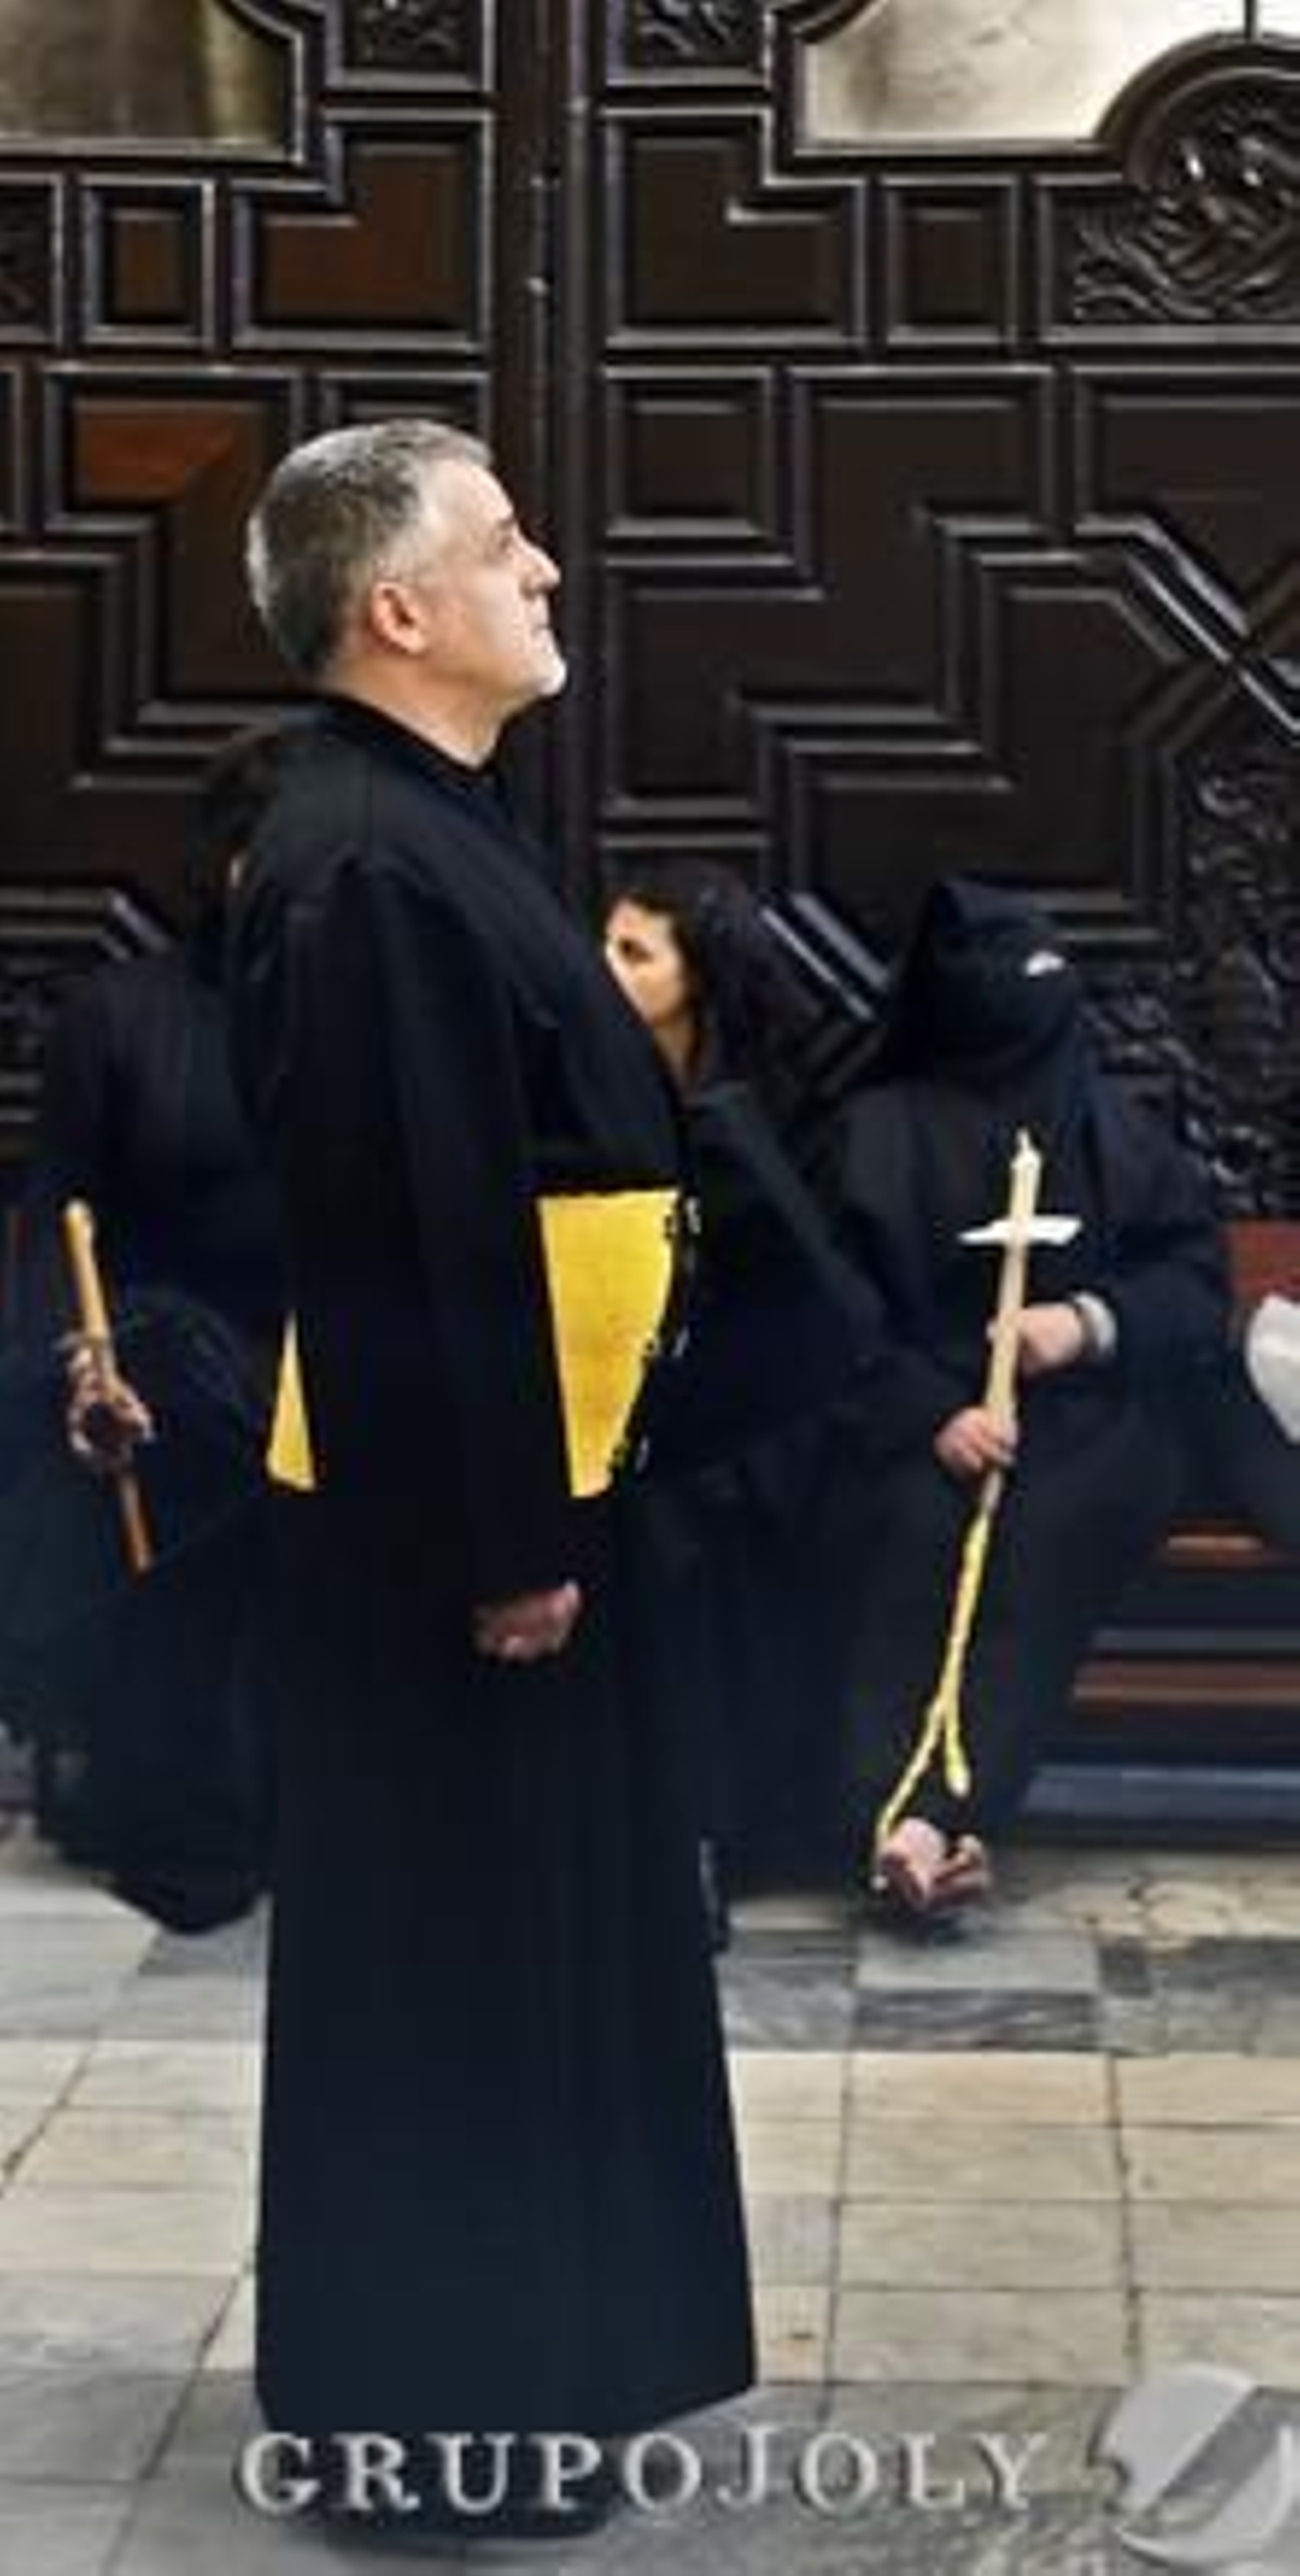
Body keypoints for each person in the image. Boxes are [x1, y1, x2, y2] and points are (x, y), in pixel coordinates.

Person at [227, 419, 753, 2538]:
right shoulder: (362, 859)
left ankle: (531, 2384)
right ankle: (432, 2431)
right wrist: (504, 1539)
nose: (545, 568)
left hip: (534, 1484)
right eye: (505, 539)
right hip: (452, 1527)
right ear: (396, 606)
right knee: (452, 1975)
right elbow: (410, 1229)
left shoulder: (437, 827)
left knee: (525, 1961)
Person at [830, 877, 1227, 1917]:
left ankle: (945, 1818)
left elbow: (1192, 1285)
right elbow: (832, 1305)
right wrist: (930, 1411)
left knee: (1043, 1535)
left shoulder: (1109, 1130)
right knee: (915, 1532)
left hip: (1094, 1421)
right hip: (924, 1414)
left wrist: (1086, 1323)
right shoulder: (870, 1136)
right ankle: (884, 1812)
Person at [0, 725, 292, 1927]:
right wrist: (85, 1367)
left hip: (331, 1368)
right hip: (164, 1378)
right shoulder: (123, 1016)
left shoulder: (377, 1019)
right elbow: (59, 1221)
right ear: (225, 862)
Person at [603, 863, 876, 1903]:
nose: (604, 969)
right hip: (632, 1393)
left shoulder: (792, 1114)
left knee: (692, 1519)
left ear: (700, 977)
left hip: (771, 1405)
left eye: (634, 952)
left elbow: (820, 1297)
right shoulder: (589, 1090)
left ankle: (705, 1833)